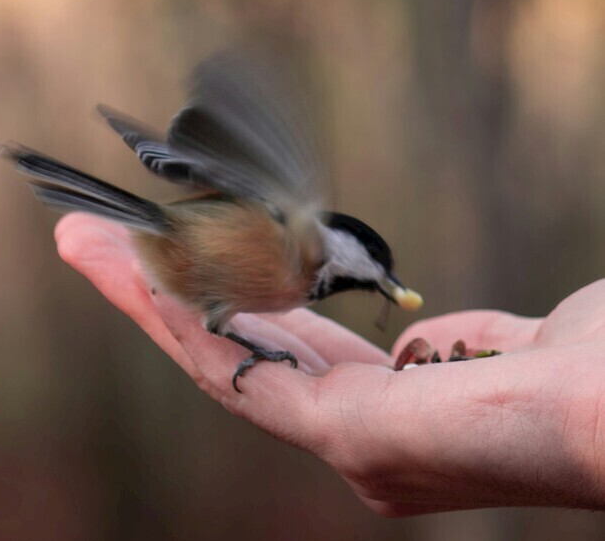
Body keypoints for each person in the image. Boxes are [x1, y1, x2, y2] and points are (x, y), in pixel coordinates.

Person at [54, 213, 605, 515]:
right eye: (379, 267)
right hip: (201, 247)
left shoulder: (303, 268)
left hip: (210, 266)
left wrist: (584, 419)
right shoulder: (295, 237)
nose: (381, 282)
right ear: (343, 246)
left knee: (231, 323)